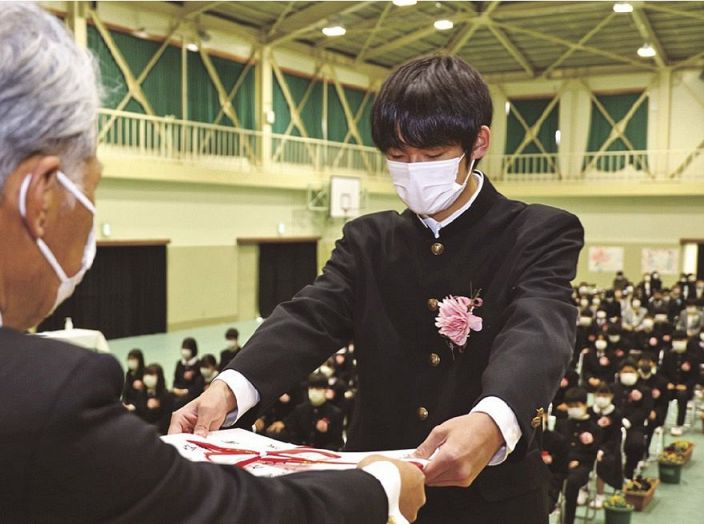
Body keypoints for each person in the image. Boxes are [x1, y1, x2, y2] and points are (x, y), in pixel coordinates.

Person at [0, 3, 426, 522]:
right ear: (39, 196)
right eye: (91, 189)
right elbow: (229, 512)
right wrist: (379, 487)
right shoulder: (33, 397)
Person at [172, 54, 584, 523]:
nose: (413, 170)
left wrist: (494, 419)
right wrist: (228, 390)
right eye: (398, 156)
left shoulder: (537, 231)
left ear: (479, 143)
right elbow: (311, 316)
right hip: (377, 490)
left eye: (432, 157)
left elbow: (539, 326)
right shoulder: (369, 240)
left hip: (491, 501)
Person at [555, 387, 600, 524]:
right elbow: (557, 447)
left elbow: (593, 453)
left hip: (582, 466)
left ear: (585, 405)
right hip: (561, 462)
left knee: (572, 482)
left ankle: (568, 520)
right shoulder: (561, 424)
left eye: (577, 406)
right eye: (570, 406)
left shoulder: (594, 428)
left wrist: (576, 460)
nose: (573, 409)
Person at [267, 373, 345, 451]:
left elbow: (337, 442)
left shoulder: (335, 413)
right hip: (301, 453)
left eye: (318, 389)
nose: (314, 392)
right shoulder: (300, 409)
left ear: (326, 390)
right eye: (311, 388)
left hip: (323, 456)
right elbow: (294, 434)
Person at [171, 337, 204, 409]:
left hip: (191, 394)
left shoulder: (199, 364)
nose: (184, 351)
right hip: (178, 391)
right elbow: (175, 380)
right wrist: (175, 389)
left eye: (187, 348)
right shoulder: (179, 363)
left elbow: (198, 385)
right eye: (183, 348)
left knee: (178, 403)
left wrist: (185, 391)